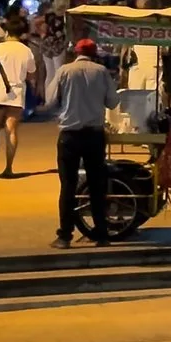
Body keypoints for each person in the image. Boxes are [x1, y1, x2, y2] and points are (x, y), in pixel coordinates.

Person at [45, 38, 116, 248]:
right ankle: (101, 233)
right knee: (97, 185)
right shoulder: (101, 71)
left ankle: (65, 235)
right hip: (94, 135)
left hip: (70, 135)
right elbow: (113, 101)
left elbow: (50, 100)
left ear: (75, 52)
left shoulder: (65, 71)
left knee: (68, 186)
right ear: (94, 54)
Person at [0, 15, 40, 176]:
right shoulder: (26, 50)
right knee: (11, 131)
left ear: (7, 32)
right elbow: (32, 74)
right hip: (17, 95)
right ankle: (8, 168)